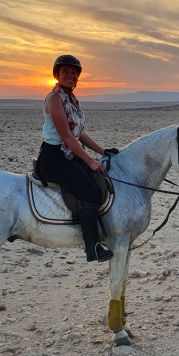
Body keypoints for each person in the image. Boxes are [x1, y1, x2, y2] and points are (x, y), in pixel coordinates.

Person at [33, 55, 119, 262]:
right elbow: (67, 136)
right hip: (54, 157)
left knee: (100, 181)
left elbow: (79, 133)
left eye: (74, 73)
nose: (71, 76)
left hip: (69, 153)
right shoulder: (54, 99)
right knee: (89, 191)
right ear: (57, 74)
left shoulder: (71, 99)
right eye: (66, 72)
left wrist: (103, 151)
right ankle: (93, 247)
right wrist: (90, 161)